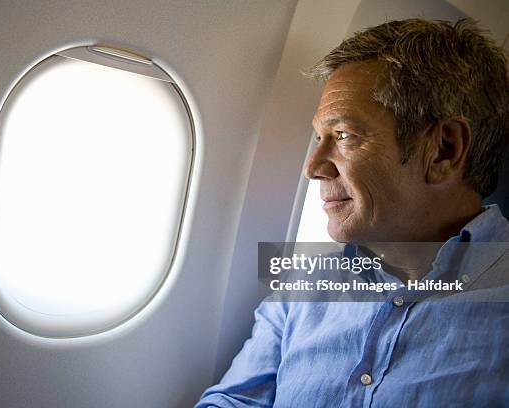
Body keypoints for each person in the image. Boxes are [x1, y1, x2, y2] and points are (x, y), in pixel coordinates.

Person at [196, 18, 509, 407]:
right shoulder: (302, 291)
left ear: (443, 150)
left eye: (343, 136)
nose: (312, 168)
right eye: (318, 139)